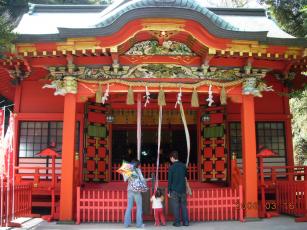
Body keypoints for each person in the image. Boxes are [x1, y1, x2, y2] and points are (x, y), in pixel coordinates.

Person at [124, 159, 149, 228]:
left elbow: (125, 179)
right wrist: (146, 181)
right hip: (137, 191)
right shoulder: (138, 170)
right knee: (139, 207)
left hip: (129, 190)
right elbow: (142, 180)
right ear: (137, 165)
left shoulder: (127, 170)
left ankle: (126, 224)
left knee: (129, 207)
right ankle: (139, 224)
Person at [168, 150, 189, 227]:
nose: (170, 160)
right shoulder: (183, 166)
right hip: (183, 189)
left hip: (174, 190)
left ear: (173, 158)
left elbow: (170, 180)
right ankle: (186, 222)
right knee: (184, 206)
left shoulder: (172, 167)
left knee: (176, 207)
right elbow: (186, 176)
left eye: (170, 158)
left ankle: (177, 223)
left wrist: (168, 191)